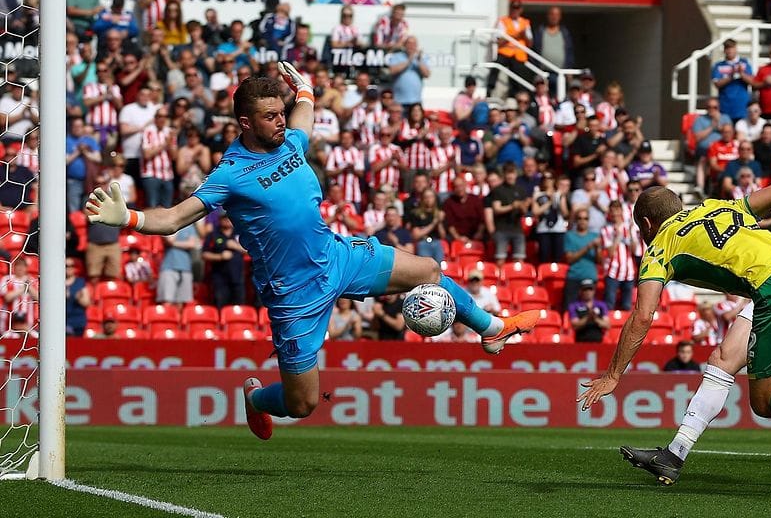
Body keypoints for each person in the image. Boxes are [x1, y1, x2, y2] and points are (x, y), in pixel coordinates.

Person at [85, 63, 541, 440]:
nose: (280, 122)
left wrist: (302, 90)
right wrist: (129, 218)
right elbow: (175, 218)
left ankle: (491, 328)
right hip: (293, 296)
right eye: (269, 116)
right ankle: (256, 397)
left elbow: (303, 115)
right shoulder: (231, 173)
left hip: (337, 255)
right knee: (302, 404)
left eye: (280, 113)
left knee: (427, 268)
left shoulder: (292, 141)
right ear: (246, 124)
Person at [578, 183, 771, 498]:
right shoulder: (714, 206)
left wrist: (613, 374)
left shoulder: (660, 247)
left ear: (646, 225)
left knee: (767, 402)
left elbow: (643, 316)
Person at [486, 162, 529, 265]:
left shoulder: (521, 190)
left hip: (517, 229)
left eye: (512, 173)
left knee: (519, 259)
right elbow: (496, 209)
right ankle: (499, 279)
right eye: (508, 173)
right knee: (500, 259)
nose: (510, 176)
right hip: (502, 229)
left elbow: (524, 210)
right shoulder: (498, 190)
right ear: (504, 175)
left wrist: (522, 206)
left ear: (516, 174)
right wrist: (512, 206)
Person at [488, 0, 532, 97]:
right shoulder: (503, 21)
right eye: (513, 8)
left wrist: (523, 35)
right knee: (495, 67)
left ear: (521, 9)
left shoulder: (525, 23)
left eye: (517, 8)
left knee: (519, 76)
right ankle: (489, 90)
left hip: (519, 55)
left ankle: (518, 95)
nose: (515, 10)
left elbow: (530, 43)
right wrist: (516, 35)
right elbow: (498, 41)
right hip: (505, 52)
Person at [563, 210, 602, 309]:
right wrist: (588, 247)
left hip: (590, 277)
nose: (582, 221)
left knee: (589, 309)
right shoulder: (570, 236)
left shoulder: (594, 236)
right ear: (576, 220)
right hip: (574, 277)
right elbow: (569, 259)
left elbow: (599, 261)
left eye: (585, 218)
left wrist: (597, 248)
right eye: (580, 218)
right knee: (570, 309)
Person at [158, 222, 199, 310]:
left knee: (181, 303)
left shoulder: (190, 226)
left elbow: (192, 244)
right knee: (167, 301)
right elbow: (170, 240)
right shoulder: (168, 224)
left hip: (185, 268)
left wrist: (174, 244)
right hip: (169, 267)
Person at [711, 39, 754, 122]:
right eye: (727, 48)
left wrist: (741, 74)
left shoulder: (744, 63)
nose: (729, 50)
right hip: (725, 107)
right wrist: (731, 75)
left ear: (735, 49)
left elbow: (752, 82)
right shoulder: (719, 65)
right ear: (724, 50)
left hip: (742, 107)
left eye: (731, 48)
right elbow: (717, 84)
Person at [532, 172, 570, 264]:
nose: (547, 181)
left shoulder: (559, 194)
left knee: (558, 256)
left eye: (550, 178)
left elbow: (565, 213)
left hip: (558, 229)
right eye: (545, 178)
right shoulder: (538, 195)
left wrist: (559, 198)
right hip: (543, 229)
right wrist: (549, 202)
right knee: (544, 255)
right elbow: (535, 212)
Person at [388, 36, 430, 111]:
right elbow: (392, 71)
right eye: (409, 44)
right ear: (404, 45)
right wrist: (409, 60)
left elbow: (427, 74)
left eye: (413, 44)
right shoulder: (397, 56)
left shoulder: (421, 58)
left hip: (416, 101)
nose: (411, 46)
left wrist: (419, 61)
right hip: (399, 100)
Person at [65, 257, 91, 337]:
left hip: (77, 322)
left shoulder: (80, 282)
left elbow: (87, 303)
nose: (69, 268)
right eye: (66, 266)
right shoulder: (57, 282)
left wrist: (78, 298)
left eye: (71, 266)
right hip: (61, 321)